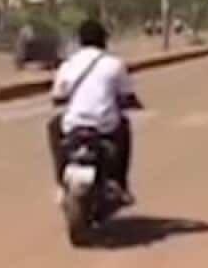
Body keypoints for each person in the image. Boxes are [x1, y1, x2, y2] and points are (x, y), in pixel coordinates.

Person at [47, 19, 140, 206]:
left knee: (53, 126)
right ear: (103, 40)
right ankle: (120, 183)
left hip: (73, 125)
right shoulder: (114, 64)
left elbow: (57, 96)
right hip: (104, 125)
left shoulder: (69, 64)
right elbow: (127, 95)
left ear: (80, 40)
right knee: (124, 126)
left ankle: (60, 181)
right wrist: (133, 103)